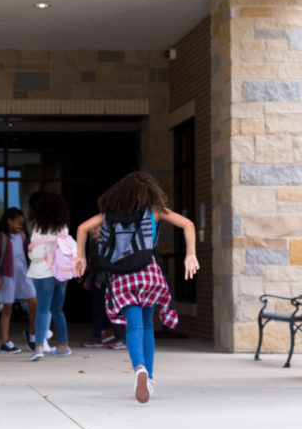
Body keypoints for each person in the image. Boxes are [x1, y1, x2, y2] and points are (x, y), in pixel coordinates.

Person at [75, 171, 199, 403]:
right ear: (149, 192)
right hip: (148, 271)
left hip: (122, 275)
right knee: (148, 326)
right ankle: (149, 377)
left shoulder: (109, 214)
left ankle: (139, 369)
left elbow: (82, 228)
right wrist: (190, 254)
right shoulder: (154, 210)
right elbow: (188, 224)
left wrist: (81, 257)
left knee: (134, 326)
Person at [26, 193, 72, 361]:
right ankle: (63, 345)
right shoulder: (63, 227)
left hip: (43, 272)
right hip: (61, 272)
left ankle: (38, 346)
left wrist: (33, 251)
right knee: (58, 309)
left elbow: (36, 254)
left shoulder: (39, 226)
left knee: (42, 309)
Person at [0, 208, 38, 354]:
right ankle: (5, 342)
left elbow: (31, 251)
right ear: (9, 221)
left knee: (34, 304)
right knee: (7, 308)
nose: (20, 226)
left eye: (22, 224)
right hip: (7, 276)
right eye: (18, 223)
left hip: (24, 275)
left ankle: (30, 332)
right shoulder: (1, 236)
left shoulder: (23, 235)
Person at [80, 224, 125, 349]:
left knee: (111, 309)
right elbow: (93, 265)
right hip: (97, 281)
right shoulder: (92, 243)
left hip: (109, 281)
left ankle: (119, 338)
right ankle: (96, 338)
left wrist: (101, 279)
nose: (93, 231)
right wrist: (89, 280)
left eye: (96, 228)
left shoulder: (108, 243)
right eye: (91, 229)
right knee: (96, 310)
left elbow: (110, 264)